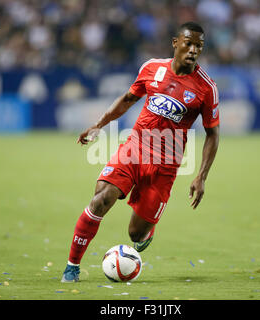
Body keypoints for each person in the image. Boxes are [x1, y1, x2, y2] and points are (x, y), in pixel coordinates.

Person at [61, 21, 220, 282]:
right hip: (134, 149)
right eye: (188, 43)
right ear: (175, 43)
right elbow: (127, 99)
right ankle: (72, 266)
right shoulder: (151, 68)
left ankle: (147, 231)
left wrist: (201, 176)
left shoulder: (206, 88)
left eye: (199, 46)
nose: (193, 50)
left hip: (165, 166)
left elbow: (213, 134)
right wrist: (99, 125)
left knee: (136, 233)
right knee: (100, 198)